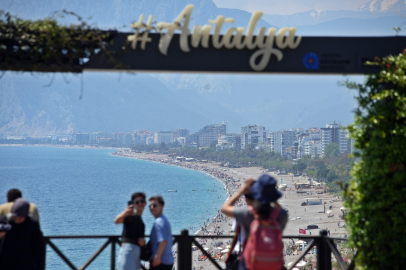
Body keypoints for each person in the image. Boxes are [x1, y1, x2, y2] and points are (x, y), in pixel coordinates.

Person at [221, 175, 288, 270]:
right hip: (274, 263)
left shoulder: (248, 213)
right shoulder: (281, 215)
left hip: (250, 263)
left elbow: (225, 208)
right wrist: (272, 197)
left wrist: (240, 191)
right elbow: (280, 210)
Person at [0, 198, 44, 270]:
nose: (17, 220)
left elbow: (39, 248)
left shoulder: (32, 225)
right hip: (5, 264)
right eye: (15, 218)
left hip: (26, 265)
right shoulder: (3, 222)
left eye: (20, 218)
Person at [115, 192, 146, 270]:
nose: (140, 203)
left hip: (136, 252)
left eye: (141, 201)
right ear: (133, 204)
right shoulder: (131, 216)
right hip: (128, 251)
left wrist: (142, 242)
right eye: (137, 202)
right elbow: (117, 221)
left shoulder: (141, 221)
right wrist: (125, 213)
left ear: (145, 203)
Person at [149, 196, 174, 270]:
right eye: (150, 206)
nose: (152, 207)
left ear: (162, 207)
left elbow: (163, 240)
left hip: (161, 261)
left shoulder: (159, 222)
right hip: (168, 259)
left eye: (155, 205)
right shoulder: (164, 220)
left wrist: (157, 256)